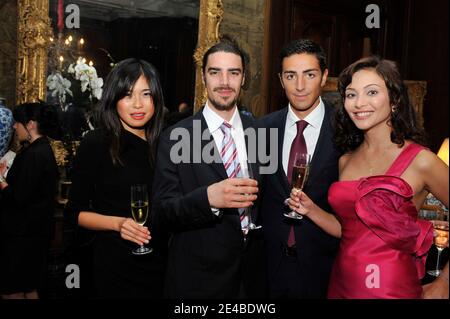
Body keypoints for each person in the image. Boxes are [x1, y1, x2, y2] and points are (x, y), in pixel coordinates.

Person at [288, 56, 449, 299]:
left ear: (394, 100)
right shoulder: (346, 160)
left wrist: (443, 283)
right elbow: (351, 230)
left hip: (390, 288)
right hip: (341, 284)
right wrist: (311, 210)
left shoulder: (421, 160)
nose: (359, 103)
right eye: (351, 95)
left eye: (371, 92)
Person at [152, 38, 261, 298]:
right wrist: (209, 199)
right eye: (215, 72)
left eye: (233, 73)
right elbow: (162, 212)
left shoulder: (259, 133)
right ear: (203, 77)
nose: (224, 82)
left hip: (251, 279)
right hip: (198, 282)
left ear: (243, 78)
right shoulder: (177, 136)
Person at [64, 58, 167, 298]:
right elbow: (74, 213)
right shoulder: (97, 143)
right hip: (115, 264)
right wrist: (118, 224)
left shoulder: (167, 144)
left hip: (162, 264)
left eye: (146, 94)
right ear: (114, 98)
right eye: (128, 95)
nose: (138, 104)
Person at [257, 38, 340, 298]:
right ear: (281, 80)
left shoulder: (346, 130)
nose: (300, 86)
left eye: (310, 74)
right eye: (291, 76)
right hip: (268, 267)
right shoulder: (262, 130)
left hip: (325, 267)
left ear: (324, 77)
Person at [0, 102, 60, 299]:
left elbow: (18, 197)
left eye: (18, 123)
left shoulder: (34, 154)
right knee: (29, 286)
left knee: (13, 291)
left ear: (31, 124)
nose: (14, 127)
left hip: (23, 235)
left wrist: (0, 180)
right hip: (34, 233)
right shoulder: (42, 150)